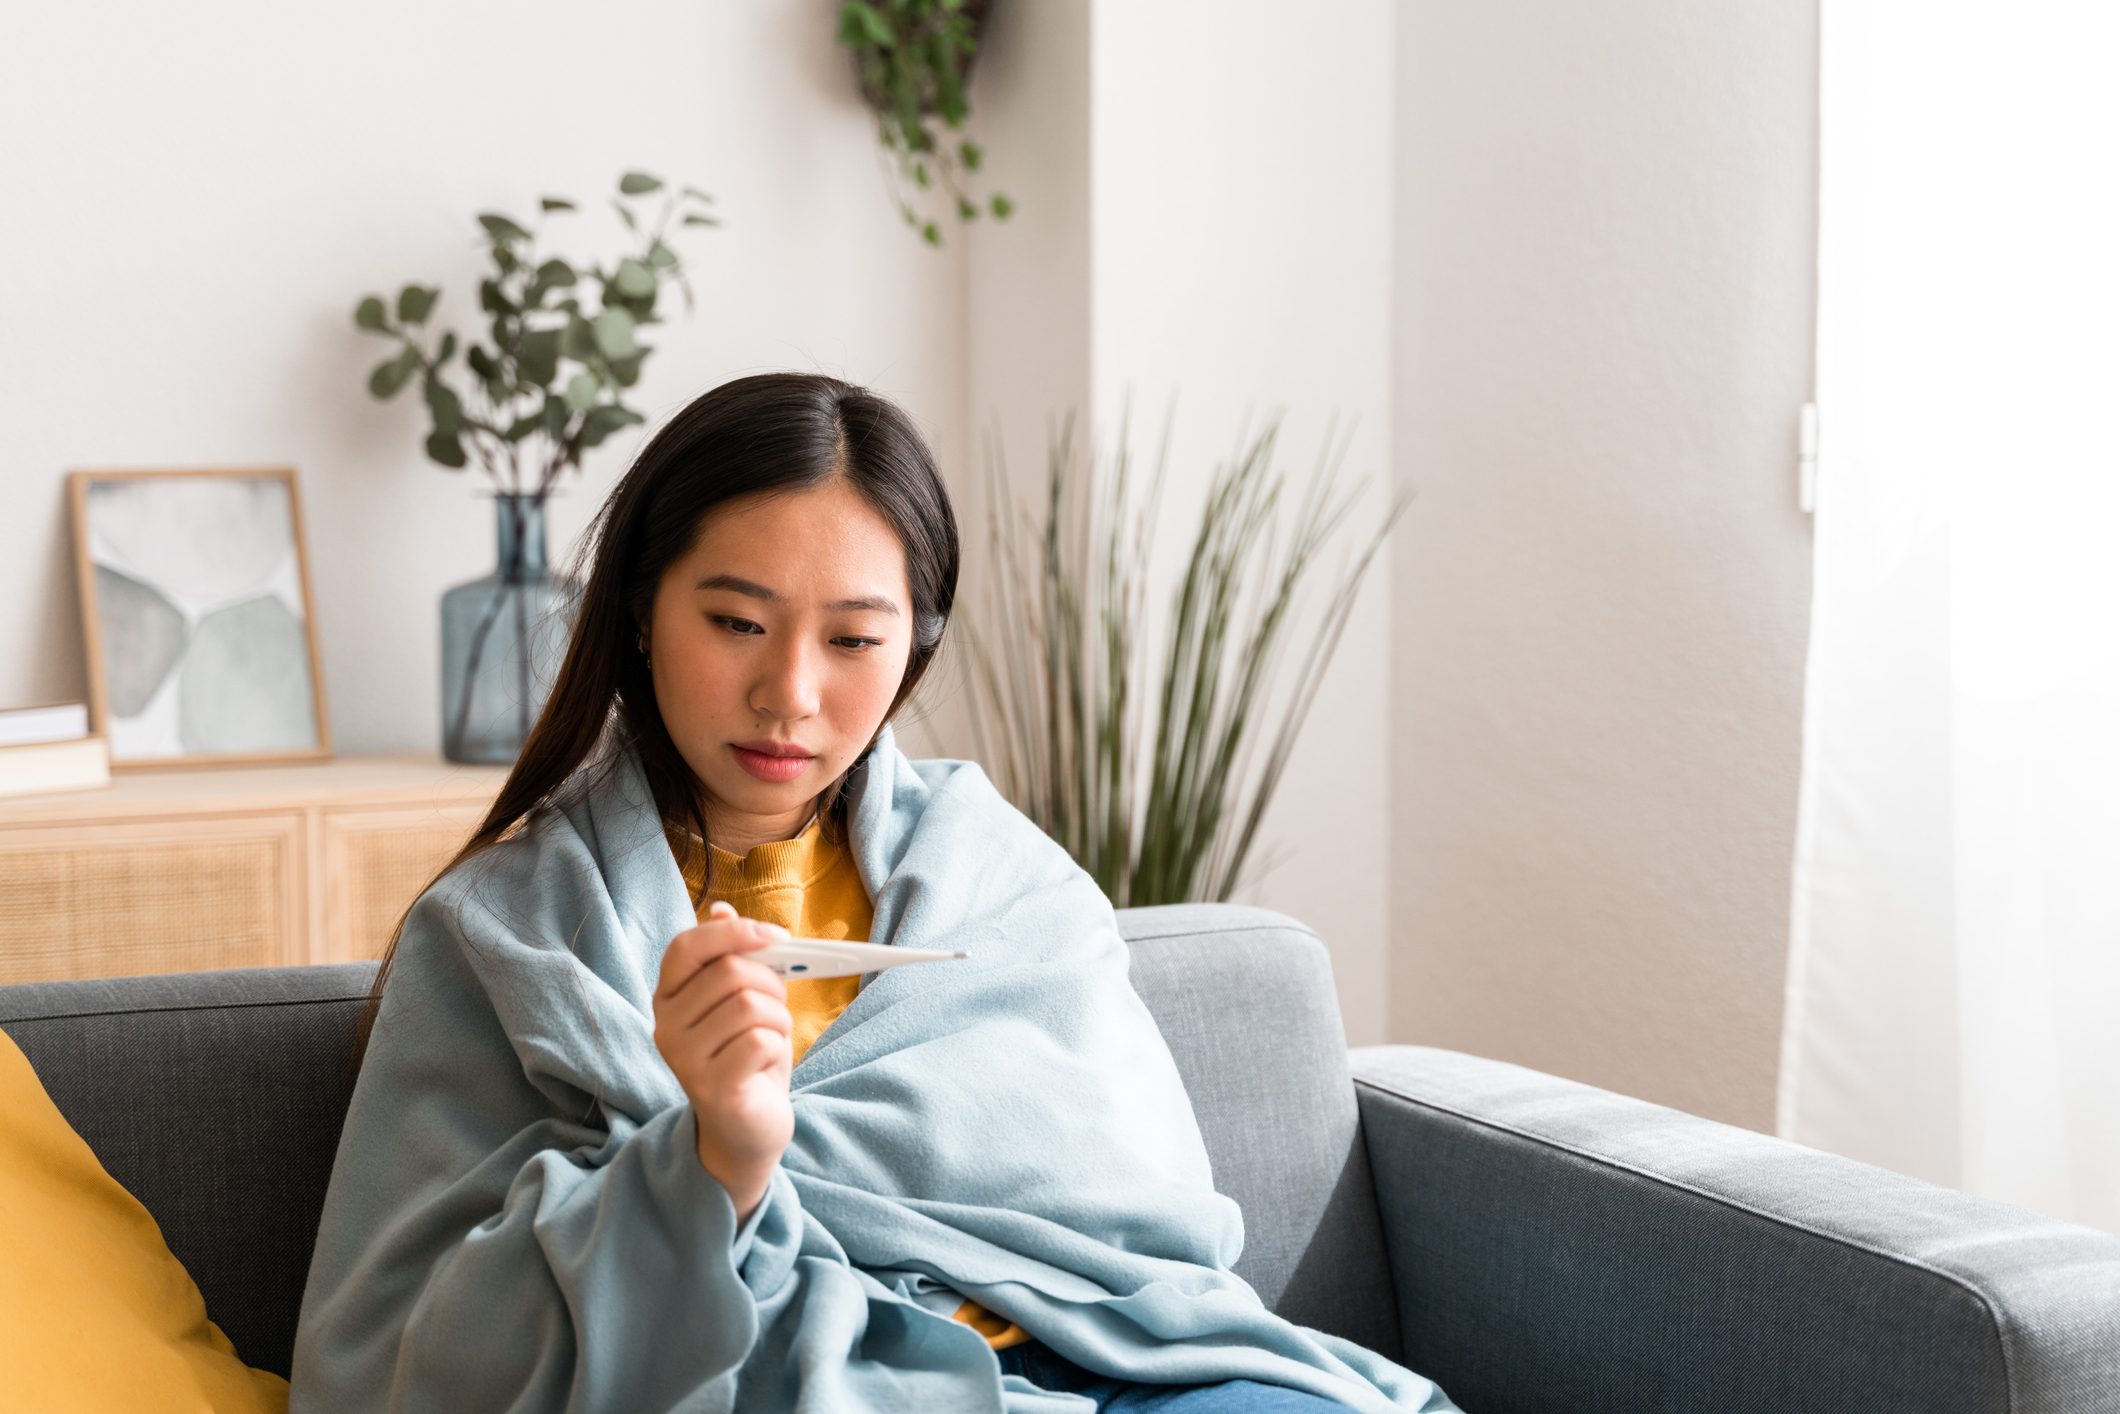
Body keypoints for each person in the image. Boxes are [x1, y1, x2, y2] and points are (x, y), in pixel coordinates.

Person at [288, 372, 1458, 1413]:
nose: (788, 693)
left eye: (852, 640)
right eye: (736, 621)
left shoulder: (1003, 876)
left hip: (1130, 1373)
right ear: (642, 609)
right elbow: (407, 1363)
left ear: (914, 646)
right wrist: (713, 1163)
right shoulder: (506, 930)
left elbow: (1158, 1238)